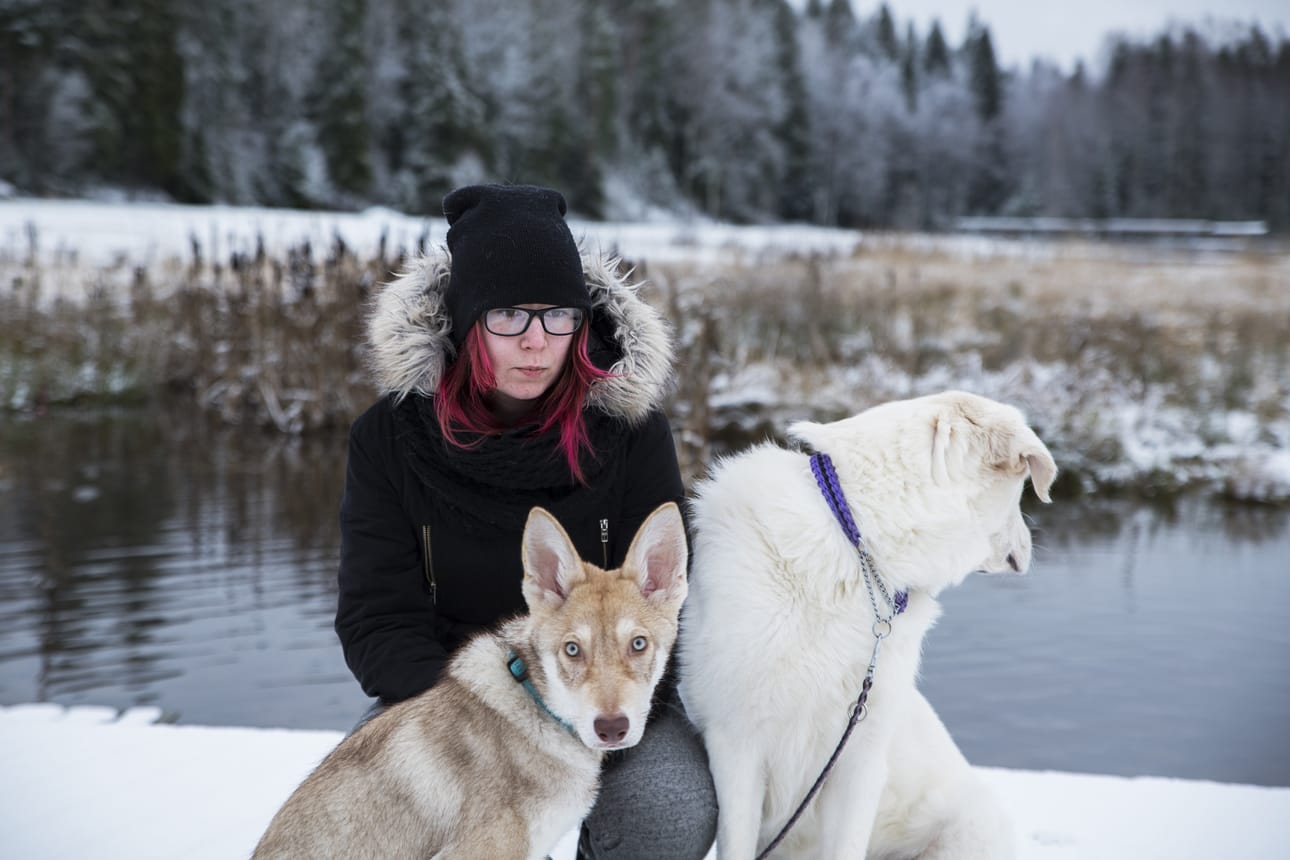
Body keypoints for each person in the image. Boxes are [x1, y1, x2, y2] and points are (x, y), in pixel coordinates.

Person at [335, 183, 717, 859]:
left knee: (672, 805)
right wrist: (484, 721)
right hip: (451, 699)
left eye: (558, 316)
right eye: (509, 315)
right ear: (464, 321)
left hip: (611, 696)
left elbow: (664, 611)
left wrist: (595, 710)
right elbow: (377, 618)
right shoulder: (389, 440)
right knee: (362, 813)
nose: (537, 342)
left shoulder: (630, 434)